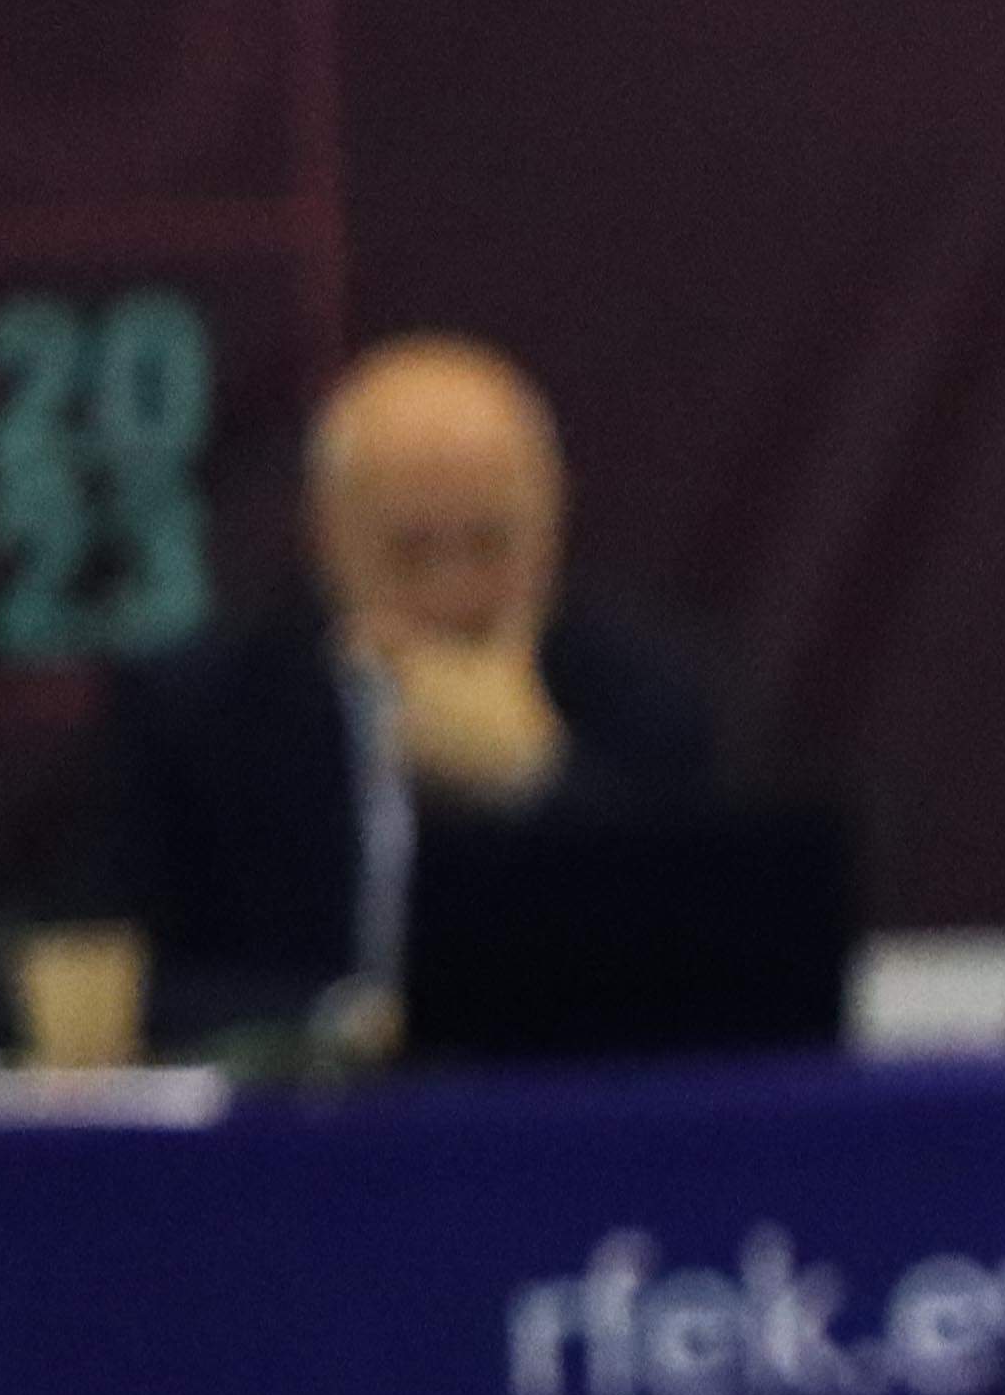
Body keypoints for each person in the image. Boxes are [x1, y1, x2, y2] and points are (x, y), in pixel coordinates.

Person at [84, 332, 717, 1047]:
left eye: (490, 544)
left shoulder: (642, 691)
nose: (452, 593)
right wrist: (342, 1028)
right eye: (410, 551)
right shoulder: (199, 709)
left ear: (551, 525)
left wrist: (537, 780)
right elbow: (117, 981)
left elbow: (705, 959)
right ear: (326, 535)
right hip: (299, 1134)